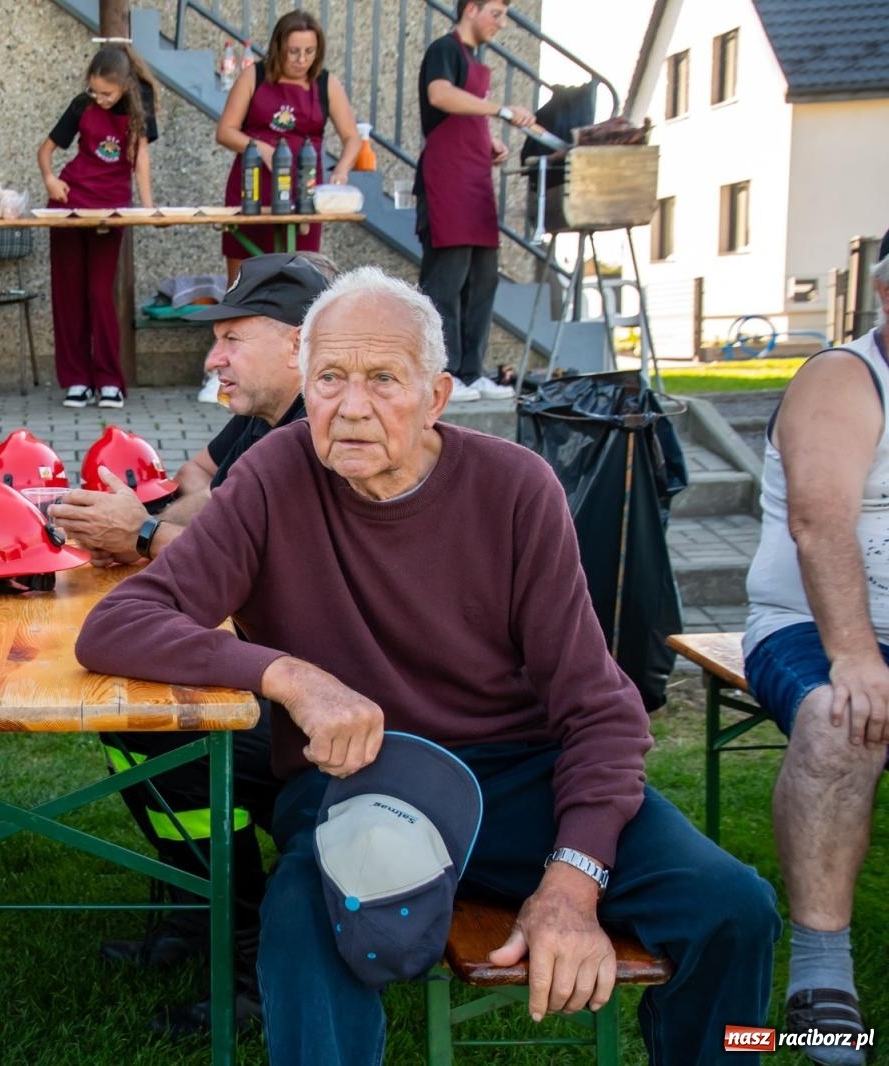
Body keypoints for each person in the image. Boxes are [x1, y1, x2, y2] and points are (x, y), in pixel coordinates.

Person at [77, 266, 780, 1064]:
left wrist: (572, 880)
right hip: (362, 779)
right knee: (303, 920)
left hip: (524, 779)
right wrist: (291, 677)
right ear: (305, 389)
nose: (350, 406)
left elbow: (598, 707)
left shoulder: (516, 489)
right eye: (330, 379)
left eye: (384, 380)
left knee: (735, 906)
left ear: (438, 396)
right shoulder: (274, 476)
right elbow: (119, 624)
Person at [52, 252, 329, 1033]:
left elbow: (240, 550)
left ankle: (245, 963)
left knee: (172, 740)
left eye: (232, 339)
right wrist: (154, 525)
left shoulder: (320, 430)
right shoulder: (266, 417)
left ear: (302, 344)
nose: (213, 359)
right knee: (130, 720)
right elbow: (197, 486)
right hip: (280, 666)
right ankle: (192, 913)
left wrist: (144, 533)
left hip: (336, 704)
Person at [742, 251, 889, 1065]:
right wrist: (859, 657)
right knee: (843, 720)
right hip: (812, 625)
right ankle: (821, 976)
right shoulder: (846, 379)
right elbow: (820, 522)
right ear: (883, 291)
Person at [413, 0, 530, 404]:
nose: (501, 23)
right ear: (471, 9)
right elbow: (441, 95)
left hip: (475, 183)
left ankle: (470, 372)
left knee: (482, 281)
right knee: (446, 283)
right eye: (496, 13)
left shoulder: (473, 58)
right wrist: (502, 112)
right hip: (446, 184)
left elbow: (465, 115)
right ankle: (442, 374)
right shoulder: (444, 50)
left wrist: (489, 140)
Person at [38, 42, 158, 410]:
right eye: (94, 91)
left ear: (124, 86)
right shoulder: (81, 105)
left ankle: (109, 380)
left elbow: (141, 163)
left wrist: (150, 208)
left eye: (106, 92)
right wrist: (50, 180)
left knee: (99, 293)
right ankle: (76, 381)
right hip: (70, 205)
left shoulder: (140, 105)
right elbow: (46, 151)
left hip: (111, 210)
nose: (99, 98)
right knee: (69, 293)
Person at [215, 12, 361, 286]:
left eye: (309, 51)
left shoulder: (325, 84)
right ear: (279, 47)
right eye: (294, 51)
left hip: (303, 192)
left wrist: (341, 169)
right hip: (253, 189)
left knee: (301, 279)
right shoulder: (254, 76)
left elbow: (352, 137)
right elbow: (225, 131)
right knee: (244, 283)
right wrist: (260, 148)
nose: (302, 59)